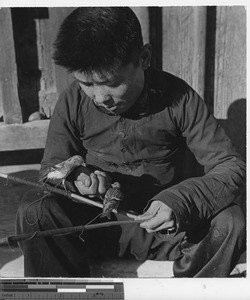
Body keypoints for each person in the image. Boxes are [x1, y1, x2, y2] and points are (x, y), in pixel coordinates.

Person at [16, 7, 246, 278]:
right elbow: (50, 170)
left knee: (229, 221)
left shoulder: (179, 98)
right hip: (95, 224)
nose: (99, 97)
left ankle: (189, 290)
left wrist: (179, 201)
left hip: (165, 231)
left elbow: (230, 167)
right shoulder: (73, 100)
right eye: (86, 83)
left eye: (111, 83)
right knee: (36, 209)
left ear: (144, 58)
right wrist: (76, 176)